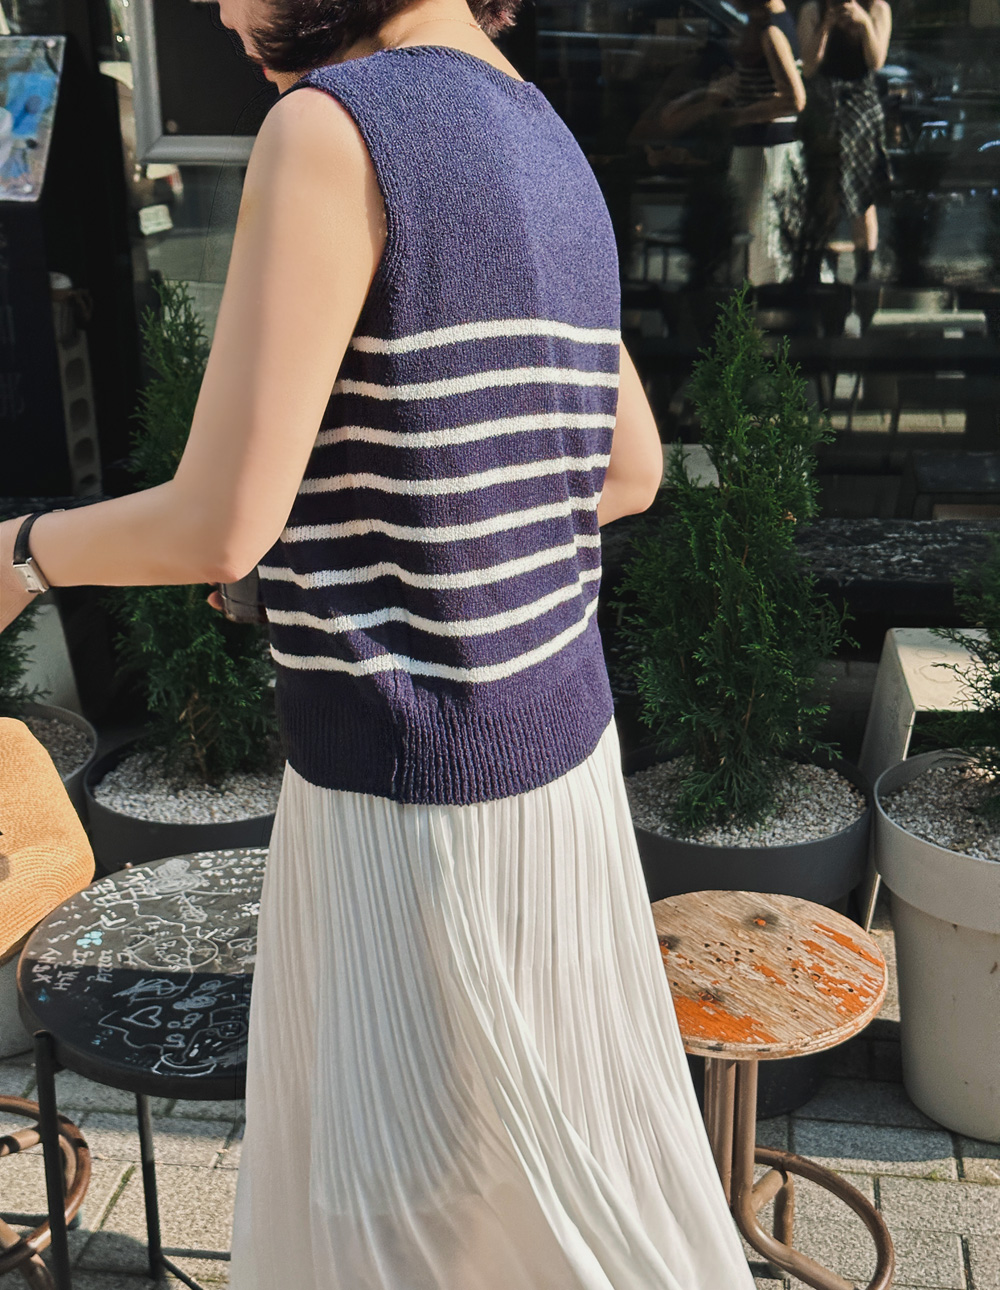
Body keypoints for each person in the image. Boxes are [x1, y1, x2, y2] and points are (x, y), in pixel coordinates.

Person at [0, 2, 757, 1286]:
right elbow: (625, 469)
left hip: (406, 788)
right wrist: (370, 540)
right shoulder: (543, 137)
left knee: (393, 1223)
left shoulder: (332, 129)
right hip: (558, 772)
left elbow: (220, 520)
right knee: (548, 1203)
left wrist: (20, 552)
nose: (216, 9)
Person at [798, 0, 893, 282]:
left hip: (861, 104)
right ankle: (813, 265)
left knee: (863, 193)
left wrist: (864, 23)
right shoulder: (813, 10)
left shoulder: (877, 9)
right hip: (824, 101)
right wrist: (826, 26)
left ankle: (865, 270)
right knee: (823, 190)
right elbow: (809, 67)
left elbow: (876, 62)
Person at [727, 0, 808, 284]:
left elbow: (794, 99)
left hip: (765, 149)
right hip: (760, 147)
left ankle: (763, 299)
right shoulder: (769, 23)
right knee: (757, 239)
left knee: (761, 241)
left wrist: (740, 116)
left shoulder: (771, 31)